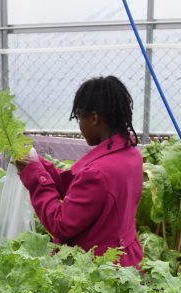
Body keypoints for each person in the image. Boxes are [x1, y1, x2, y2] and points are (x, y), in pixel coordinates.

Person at [15, 75, 143, 268]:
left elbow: (61, 224)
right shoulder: (131, 155)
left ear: (94, 118)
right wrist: (38, 164)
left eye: (79, 117)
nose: (80, 126)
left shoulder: (98, 173)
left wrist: (35, 177)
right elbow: (79, 189)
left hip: (98, 267)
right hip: (125, 258)